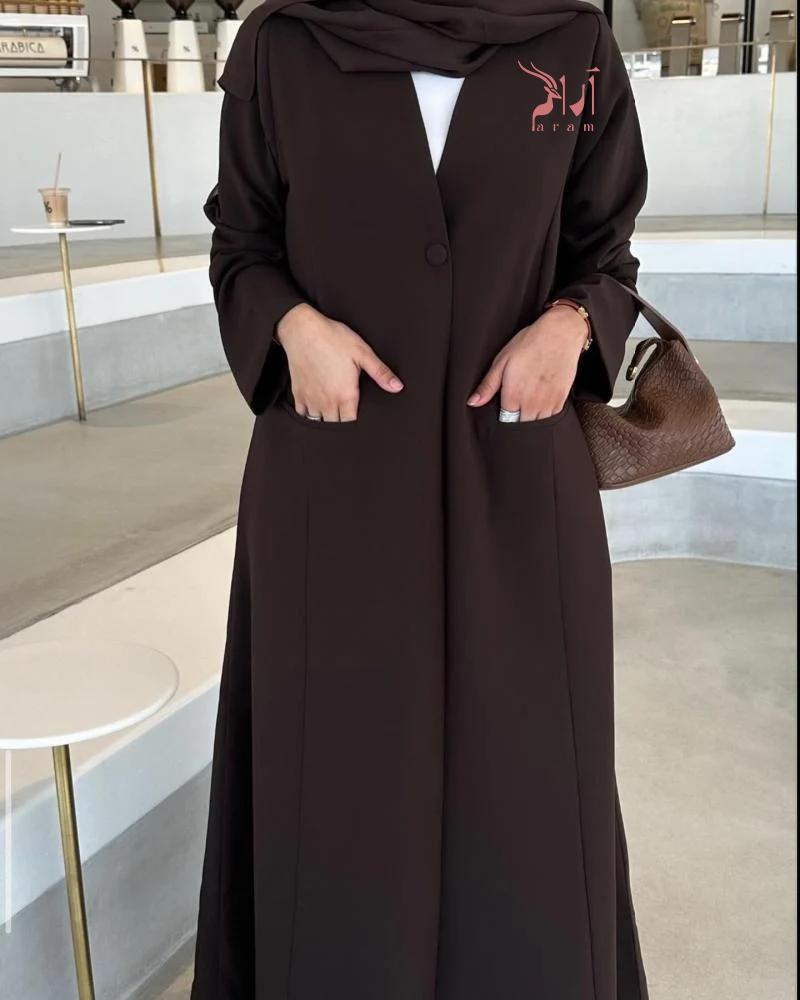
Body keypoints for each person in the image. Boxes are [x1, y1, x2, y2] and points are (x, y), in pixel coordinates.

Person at [192, 0, 650, 997]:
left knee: (526, 773)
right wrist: (290, 325)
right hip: (335, 483)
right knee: (341, 773)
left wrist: (571, 323)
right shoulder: (283, 44)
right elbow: (241, 242)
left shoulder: (570, 42)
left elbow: (606, 248)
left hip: (517, 478)